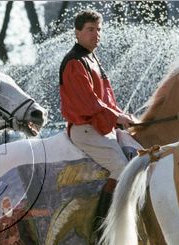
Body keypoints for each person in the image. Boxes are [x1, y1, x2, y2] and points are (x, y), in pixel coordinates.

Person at [59, 9, 138, 222]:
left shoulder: (91, 58)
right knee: (123, 168)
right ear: (77, 33)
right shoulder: (76, 61)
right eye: (90, 30)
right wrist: (118, 118)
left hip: (100, 127)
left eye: (99, 29)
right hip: (85, 129)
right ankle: (101, 225)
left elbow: (107, 99)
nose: (96, 34)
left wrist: (122, 116)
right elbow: (89, 102)